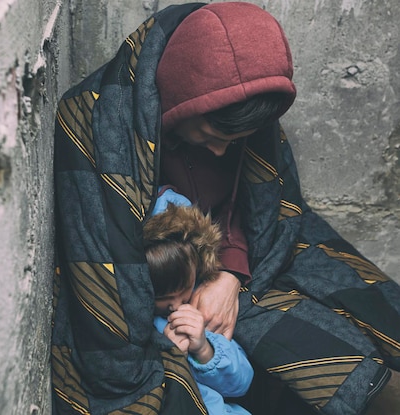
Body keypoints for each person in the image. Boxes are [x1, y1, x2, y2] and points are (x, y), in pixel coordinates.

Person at [51, 2, 400, 415]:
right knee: (333, 362)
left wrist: (230, 275)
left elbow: (259, 208)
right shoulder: (95, 124)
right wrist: (186, 290)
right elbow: (107, 259)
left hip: (245, 259)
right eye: (214, 133)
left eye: (236, 139)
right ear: (185, 101)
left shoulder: (240, 113)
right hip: (164, 283)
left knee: (374, 317)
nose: (222, 149)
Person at [144, 188, 253, 415]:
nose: (176, 306)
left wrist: (205, 349)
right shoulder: (140, 322)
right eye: (162, 299)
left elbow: (242, 382)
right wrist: (168, 358)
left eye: (183, 290)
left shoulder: (199, 306)